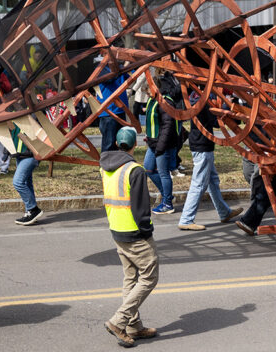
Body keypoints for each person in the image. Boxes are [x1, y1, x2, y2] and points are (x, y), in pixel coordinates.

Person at [100, 126, 158, 347]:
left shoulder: (105, 167)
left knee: (130, 277)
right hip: (135, 234)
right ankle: (119, 321)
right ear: (136, 145)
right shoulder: (135, 170)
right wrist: (147, 231)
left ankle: (133, 326)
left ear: (116, 143)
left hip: (116, 229)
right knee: (149, 277)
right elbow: (141, 208)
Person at [177, 93, 241, 231]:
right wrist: (229, 111)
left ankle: (224, 212)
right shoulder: (203, 104)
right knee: (199, 184)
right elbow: (215, 122)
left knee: (212, 181)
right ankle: (186, 219)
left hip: (200, 144)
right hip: (203, 147)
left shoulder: (194, 100)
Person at [144, 77, 180, 214]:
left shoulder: (165, 102)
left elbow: (168, 125)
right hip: (154, 143)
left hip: (163, 144)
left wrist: (160, 147)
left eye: (148, 90)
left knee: (164, 173)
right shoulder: (152, 100)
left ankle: (167, 204)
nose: (146, 94)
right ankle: (167, 196)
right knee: (148, 169)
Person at [9, 124, 43, 225]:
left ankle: (33, 209)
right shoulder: (14, 112)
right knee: (27, 183)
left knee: (18, 182)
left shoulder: (31, 114)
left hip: (31, 155)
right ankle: (30, 212)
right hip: (21, 155)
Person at [95, 62, 128, 153]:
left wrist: (127, 65)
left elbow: (131, 76)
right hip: (108, 112)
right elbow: (109, 79)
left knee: (122, 142)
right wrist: (123, 68)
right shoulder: (100, 68)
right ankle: (106, 166)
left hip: (120, 110)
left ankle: (119, 165)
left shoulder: (120, 67)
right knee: (109, 144)